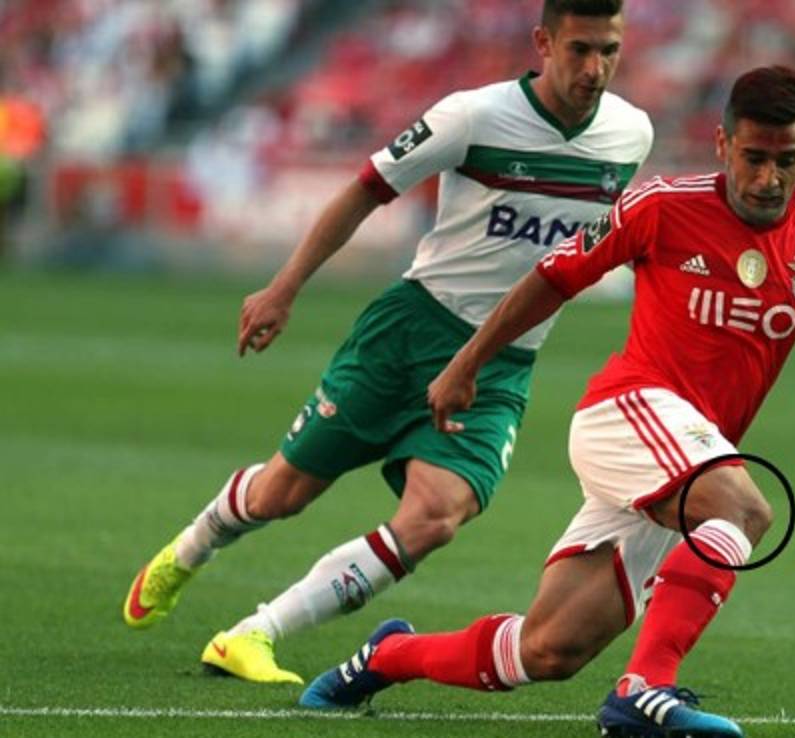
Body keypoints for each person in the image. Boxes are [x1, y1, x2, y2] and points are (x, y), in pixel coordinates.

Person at [300, 65, 795, 737]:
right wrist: (466, 364)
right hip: (627, 413)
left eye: (786, 161)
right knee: (745, 510)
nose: (769, 178)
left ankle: (386, 657)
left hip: (689, 458)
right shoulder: (663, 206)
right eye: (754, 158)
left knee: (548, 650)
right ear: (723, 144)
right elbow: (554, 277)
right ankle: (643, 689)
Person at [122, 0, 653, 685]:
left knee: (436, 517)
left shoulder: (629, 135)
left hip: (501, 361)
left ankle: (255, 633)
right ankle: (189, 551)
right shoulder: (472, 116)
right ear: (544, 43)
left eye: (609, 51)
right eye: (580, 49)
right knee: (283, 493)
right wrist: (284, 287)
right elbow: (365, 191)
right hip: (409, 333)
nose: (595, 68)